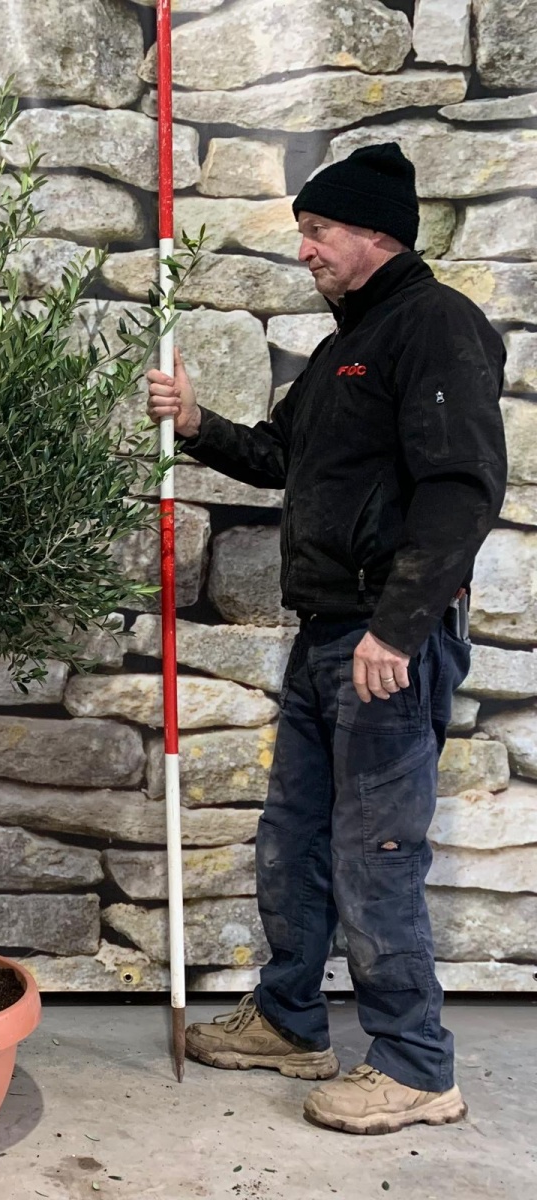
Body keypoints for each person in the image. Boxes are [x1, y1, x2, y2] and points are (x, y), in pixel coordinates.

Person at [146, 142, 508, 1135]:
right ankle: (291, 1020)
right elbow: (276, 455)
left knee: (374, 853)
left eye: (317, 230)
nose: (303, 248)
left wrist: (400, 627)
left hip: (381, 645)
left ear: (374, 232)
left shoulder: (435, 327)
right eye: (304, 230)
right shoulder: (351, 346)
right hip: (326, 639)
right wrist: (196, 423)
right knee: (294, 841)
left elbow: (461, 487)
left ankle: (417, 1068)